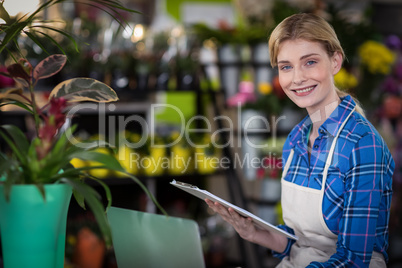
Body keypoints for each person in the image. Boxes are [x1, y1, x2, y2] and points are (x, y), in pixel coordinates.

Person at [205, 13, 395, 267]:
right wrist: (256, 234)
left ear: (335, 61)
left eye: (310, 62)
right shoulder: (295, 140)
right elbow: (303, 242)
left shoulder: (362, 144)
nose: (297, 78)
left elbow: (353, 261)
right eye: (286, 66)